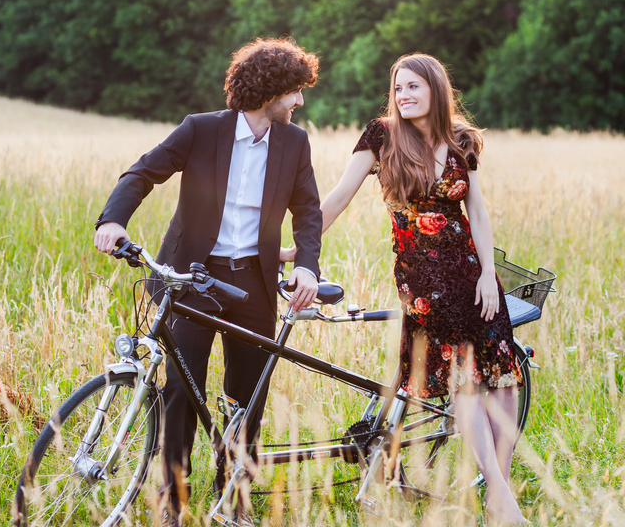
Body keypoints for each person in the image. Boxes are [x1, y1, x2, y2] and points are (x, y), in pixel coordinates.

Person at [281, 52, 525, 525]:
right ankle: (501, 499)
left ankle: (502, 487)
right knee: (465, 383)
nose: (404, 95)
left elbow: (478, 211)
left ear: (435, 88)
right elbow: (338, 197)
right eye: (397, 87)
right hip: (424, 280)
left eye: (413, 86)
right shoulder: (382, 137)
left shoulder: (462, 140)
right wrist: (298, 249)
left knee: (505, 378)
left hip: (473, 274)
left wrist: (487, 274)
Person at [94, 38, 322, 523]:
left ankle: (233, 501)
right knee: (180, 391)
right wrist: (112, 220)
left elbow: (307, 211)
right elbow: (141, 173)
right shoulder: (202, 131)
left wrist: (306, 265)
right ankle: (173, 504)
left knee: (247, 398)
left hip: (255, 285)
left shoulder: (294, 142)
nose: (300, 102)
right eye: (295, 92)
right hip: (191, 281)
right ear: (270, 90)